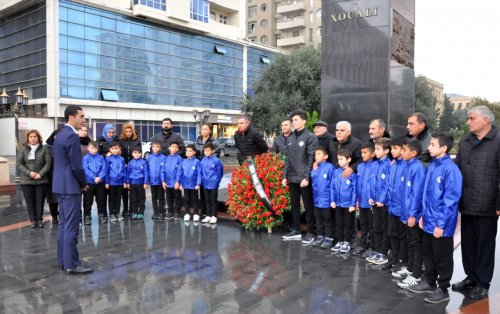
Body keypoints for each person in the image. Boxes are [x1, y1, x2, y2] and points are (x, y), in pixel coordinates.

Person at [407, 132, 462, 304]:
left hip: (441, 224)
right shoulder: (432, 167)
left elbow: (450, 201)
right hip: (428, 221)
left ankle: (443, 288)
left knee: (442, 257)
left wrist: (441, 224)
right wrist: (422, 215)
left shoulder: (450, 170)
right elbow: (426, 195)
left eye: (432, 144)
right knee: (428, 253)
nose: (428, 147)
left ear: (443, 148)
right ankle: (429, 281)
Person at [452, 106, 500, 300]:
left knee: (485, 244)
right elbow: (457, 171)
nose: (468, 122)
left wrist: (499, 204)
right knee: (469, 244)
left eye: (471, 118)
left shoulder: (498, 141)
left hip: (489, 205)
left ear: (485, 120)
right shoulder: (465, 141)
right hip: (467, 202)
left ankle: (482, 282)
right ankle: (471, 277)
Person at [53, 105, 92, 274]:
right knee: (71, 227)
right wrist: (84, 183)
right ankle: (71, 264)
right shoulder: (71, 136)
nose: (84, 120)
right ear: (71, 117)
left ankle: (63, 260)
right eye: (81, 116)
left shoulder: (60, 134)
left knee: (63, 225)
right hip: (70, 187)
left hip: (61, 185)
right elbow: (76, 166)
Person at [281, 110, 318, 243]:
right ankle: (296, 230)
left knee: (308, 206)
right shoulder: (290, 138)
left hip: (304, 178)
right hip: (292, 177)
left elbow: (311, 158)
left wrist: (306, 177)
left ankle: (310, 231)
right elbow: (288, 159)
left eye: (296, 120)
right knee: (294, 205)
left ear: (303, 121)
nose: (293, 122)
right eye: (293, 120)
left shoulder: (310, 137)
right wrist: (284, 176)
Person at [396, 139, 426, 290]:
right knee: (409, 241)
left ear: (413, 153)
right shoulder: (407, 166)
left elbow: (417, 194)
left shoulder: (417, 168)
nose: (402, 152)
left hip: (412, 214)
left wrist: (413, 214)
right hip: (405, 213)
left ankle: (416, 275)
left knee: (415, 243)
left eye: (404, 150)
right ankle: (410, 268)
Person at [17, 129, 52, 228]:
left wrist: (40, 174)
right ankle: (33, 220)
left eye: (35, 137)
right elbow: (19, 163)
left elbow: (48, 163)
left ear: (38, 138)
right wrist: (30, 173)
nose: (33, 138)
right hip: (26, 180)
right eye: (31, 137)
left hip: (41, 179)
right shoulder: (23, 148)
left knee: (40, 200)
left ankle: (39, 219)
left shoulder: (44, 148)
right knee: (30, 201)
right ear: (28, 138)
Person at [366, 137, 391, 265]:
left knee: (384, 227)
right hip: (374, 202)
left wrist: (382, 199)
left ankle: (384, 251)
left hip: (383, 203)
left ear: (386, 151)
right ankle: (377, 249)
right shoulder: (374, 164)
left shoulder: (389, 165)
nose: (375, 151)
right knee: (376, 227)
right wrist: (370, 196)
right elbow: (370, 182)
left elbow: (388, 184)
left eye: (377, 149)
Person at [385, 136, 408, 272]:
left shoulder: (407, 166)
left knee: (402, 236)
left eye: (395, 148)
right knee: (392, 234)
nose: (392, 151)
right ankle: (394, 258)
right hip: (392, 207)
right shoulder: (392, 165)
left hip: (402, 208)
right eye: (391, 149)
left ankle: (402, 260)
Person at [352, 142, 377, 257]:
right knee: (363, 224)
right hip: (361, 201)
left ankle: (372, 246)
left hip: (371, 202)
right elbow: (357, 184)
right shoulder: (360, 166)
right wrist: (357, 199)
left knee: (372, 225)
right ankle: (362, 245)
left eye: (365, 152)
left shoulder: (376, 166)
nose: (362, 155)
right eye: (361, 152)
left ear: (373, 154)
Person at [330, 149, 357, 254]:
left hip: (348, 205)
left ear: (349, 160)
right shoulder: (336, 172)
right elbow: (332, 187)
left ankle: (347, 242)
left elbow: (354, 190)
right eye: (338, 159)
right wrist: (332, 200)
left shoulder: (352, 174)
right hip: (338, 203)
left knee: (347, 224)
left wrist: (352, 204)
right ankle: (340, 241)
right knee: (339, 223)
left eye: (341, 159)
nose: (339, 161)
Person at [310, 147, 336, 249]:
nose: (316, 156)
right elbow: (314, 181)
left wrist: (332, 199)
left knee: (327, 219)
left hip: (326, 200)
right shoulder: (315, 167)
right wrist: (315, 169)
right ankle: (320, 236)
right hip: (317, 199)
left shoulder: (330, 167)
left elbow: (332, 185)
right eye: (315, 154)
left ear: (326, 156)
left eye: (319, 154)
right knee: (318, 218)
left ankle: (329, 238)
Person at [194, 123, 220, 220]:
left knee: (211, 196)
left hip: (210, 169)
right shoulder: (197, 141)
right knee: (203, 193)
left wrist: (208, 163)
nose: (204, 131)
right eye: (203, 129)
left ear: (210, 131)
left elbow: (217, 153)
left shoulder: (214, 142)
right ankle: (204, 212)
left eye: (206, 129)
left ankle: (212, 214)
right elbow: (195, 154)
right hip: (201, 169)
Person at [82, 141, 108, 225]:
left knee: (101, 200)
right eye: (92, 148)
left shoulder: (101, 158)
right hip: (89, 183)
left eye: (96, 148)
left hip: (100, 182)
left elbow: (104, 168)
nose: (94, 150)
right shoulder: (85, 158)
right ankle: (87, 216)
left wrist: (99, 177)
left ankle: (101, 215)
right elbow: (85, 169)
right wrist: (94, 177)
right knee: (88, 201)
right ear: (88, 148)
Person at [120, 123, 141, 218]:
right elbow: (120, 153)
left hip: (134, 166)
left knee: (133, 190)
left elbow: (139, 153)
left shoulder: (137, 141)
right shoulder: (121, 140)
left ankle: (133, 209)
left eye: (130, 131)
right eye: (126, 132)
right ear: (124, 132)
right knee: (124, 189)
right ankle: (125, 209)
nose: (128, 133)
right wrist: (124, 163)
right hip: (124, 166)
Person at [200, 142, 223, 224]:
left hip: (213, 184)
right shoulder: (203, 160)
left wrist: (217, 181)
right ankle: (209, 215)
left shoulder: (216, 161)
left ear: (212, 151)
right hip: (205, 184)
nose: (206, 152)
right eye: (205, 150)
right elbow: (201, 172)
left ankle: (214, 216)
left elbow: (220, 172)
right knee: (207, 200)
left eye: (208, 150)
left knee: (213, 200)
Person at [105, 142, 126, 222]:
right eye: (112, 148)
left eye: (116, 148)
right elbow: (106, 171)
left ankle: (117, 212)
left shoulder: (122, 159)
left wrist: (124, 181)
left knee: (118, 198)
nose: (114, 150)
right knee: (111, 198)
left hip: (120, 182)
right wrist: (106, 182)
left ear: (119, 149)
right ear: (110, 150)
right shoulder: (108, 159)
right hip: (111, 182)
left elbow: (124, 170)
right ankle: (111, 213)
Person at [180, 144, 202, 222]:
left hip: (194, 185)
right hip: (185, 185)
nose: (188, 152)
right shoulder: (183, 162)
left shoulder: (197, 162)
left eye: (190, 151)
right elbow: (181, 173)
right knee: (186, 199)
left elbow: (199, 173)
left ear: (194, 152)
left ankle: (196, 213)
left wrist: (198, 184)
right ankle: (187, 213)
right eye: (187, 151)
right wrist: (180, 183)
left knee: (194, 200)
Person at [162, 142, 183, 221]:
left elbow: (179, 171)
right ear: (169, 148)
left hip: (175, 183)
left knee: (177, 198)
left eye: (176, 147)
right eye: (172, 146)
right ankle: (170, 212)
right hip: (167, 183)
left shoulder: (179, 159)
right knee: (169, 198)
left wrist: (177, 182)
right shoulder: (166, 158)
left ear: (178, 149)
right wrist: (163, 181)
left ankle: (177, 213)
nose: (174, 148)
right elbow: (163, 170)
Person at [126, 146, 148, 220]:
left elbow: (146, 173)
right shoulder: (130, 163)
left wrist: (145, 183)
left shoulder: (144, 162)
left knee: (141, 198)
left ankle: (141, 212)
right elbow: (128, 173)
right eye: (135, 153)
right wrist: (128, 182)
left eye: (139, 153)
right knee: (133, 198)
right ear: (132, 154)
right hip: (132, 183)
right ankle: (134, 212)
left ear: (141, 154)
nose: (137, 154)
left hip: (140, 183)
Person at [147, 141, 166, 220]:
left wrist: (163, 180)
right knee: (154, 197)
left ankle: (161, 212)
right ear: (152, 148)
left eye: (157, 147)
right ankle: (155, 212)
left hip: (160, 181)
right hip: (152, 181)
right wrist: (148, 179)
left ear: (160, 148)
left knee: (161, 197)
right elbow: (147, 169)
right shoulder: (149, 157)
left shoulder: (163, 157)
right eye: (154, 147)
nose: (155, 148)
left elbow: (164, 169)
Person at [45, 129, 60, 224]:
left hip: (62, 176)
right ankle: (54, 216)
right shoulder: (47, 148)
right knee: (52, 198)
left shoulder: (64, 146)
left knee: (62, 198)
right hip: (50, 177)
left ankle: (62, 215)